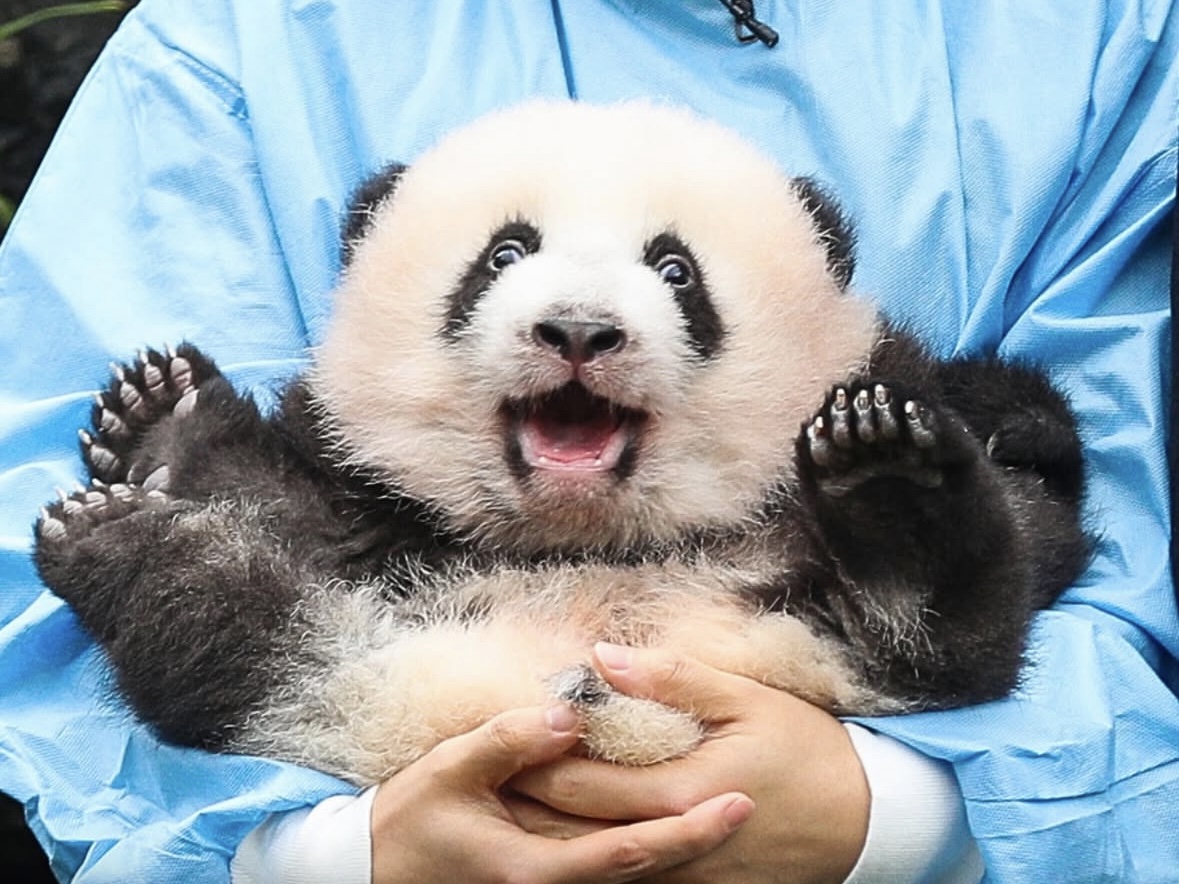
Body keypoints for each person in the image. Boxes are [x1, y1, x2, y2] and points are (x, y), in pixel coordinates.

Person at [0, 1, 1176, 881]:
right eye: (510, 257)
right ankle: (197, 520)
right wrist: (334, 855)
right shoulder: (237, 41)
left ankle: (191, 535)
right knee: (313, 546)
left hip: (746, 638)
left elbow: (1135, 546)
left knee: (935, 546)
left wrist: (895, 810)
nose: (577, 319)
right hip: (426, 677)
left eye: (672, 271)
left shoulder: (1104, 38)